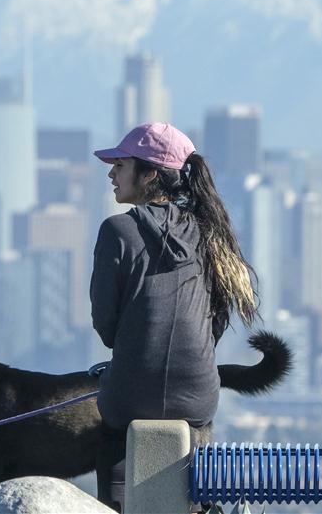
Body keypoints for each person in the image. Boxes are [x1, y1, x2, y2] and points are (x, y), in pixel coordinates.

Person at [89, 121, 259, 511]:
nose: (112, 174)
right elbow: (216, 322)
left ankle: (115, 506)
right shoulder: (211, 234)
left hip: (129, 396)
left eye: (120, 165)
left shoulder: (117, 231)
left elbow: (105, 325)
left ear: (149, 174)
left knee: (111, 434)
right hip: (198, 396)